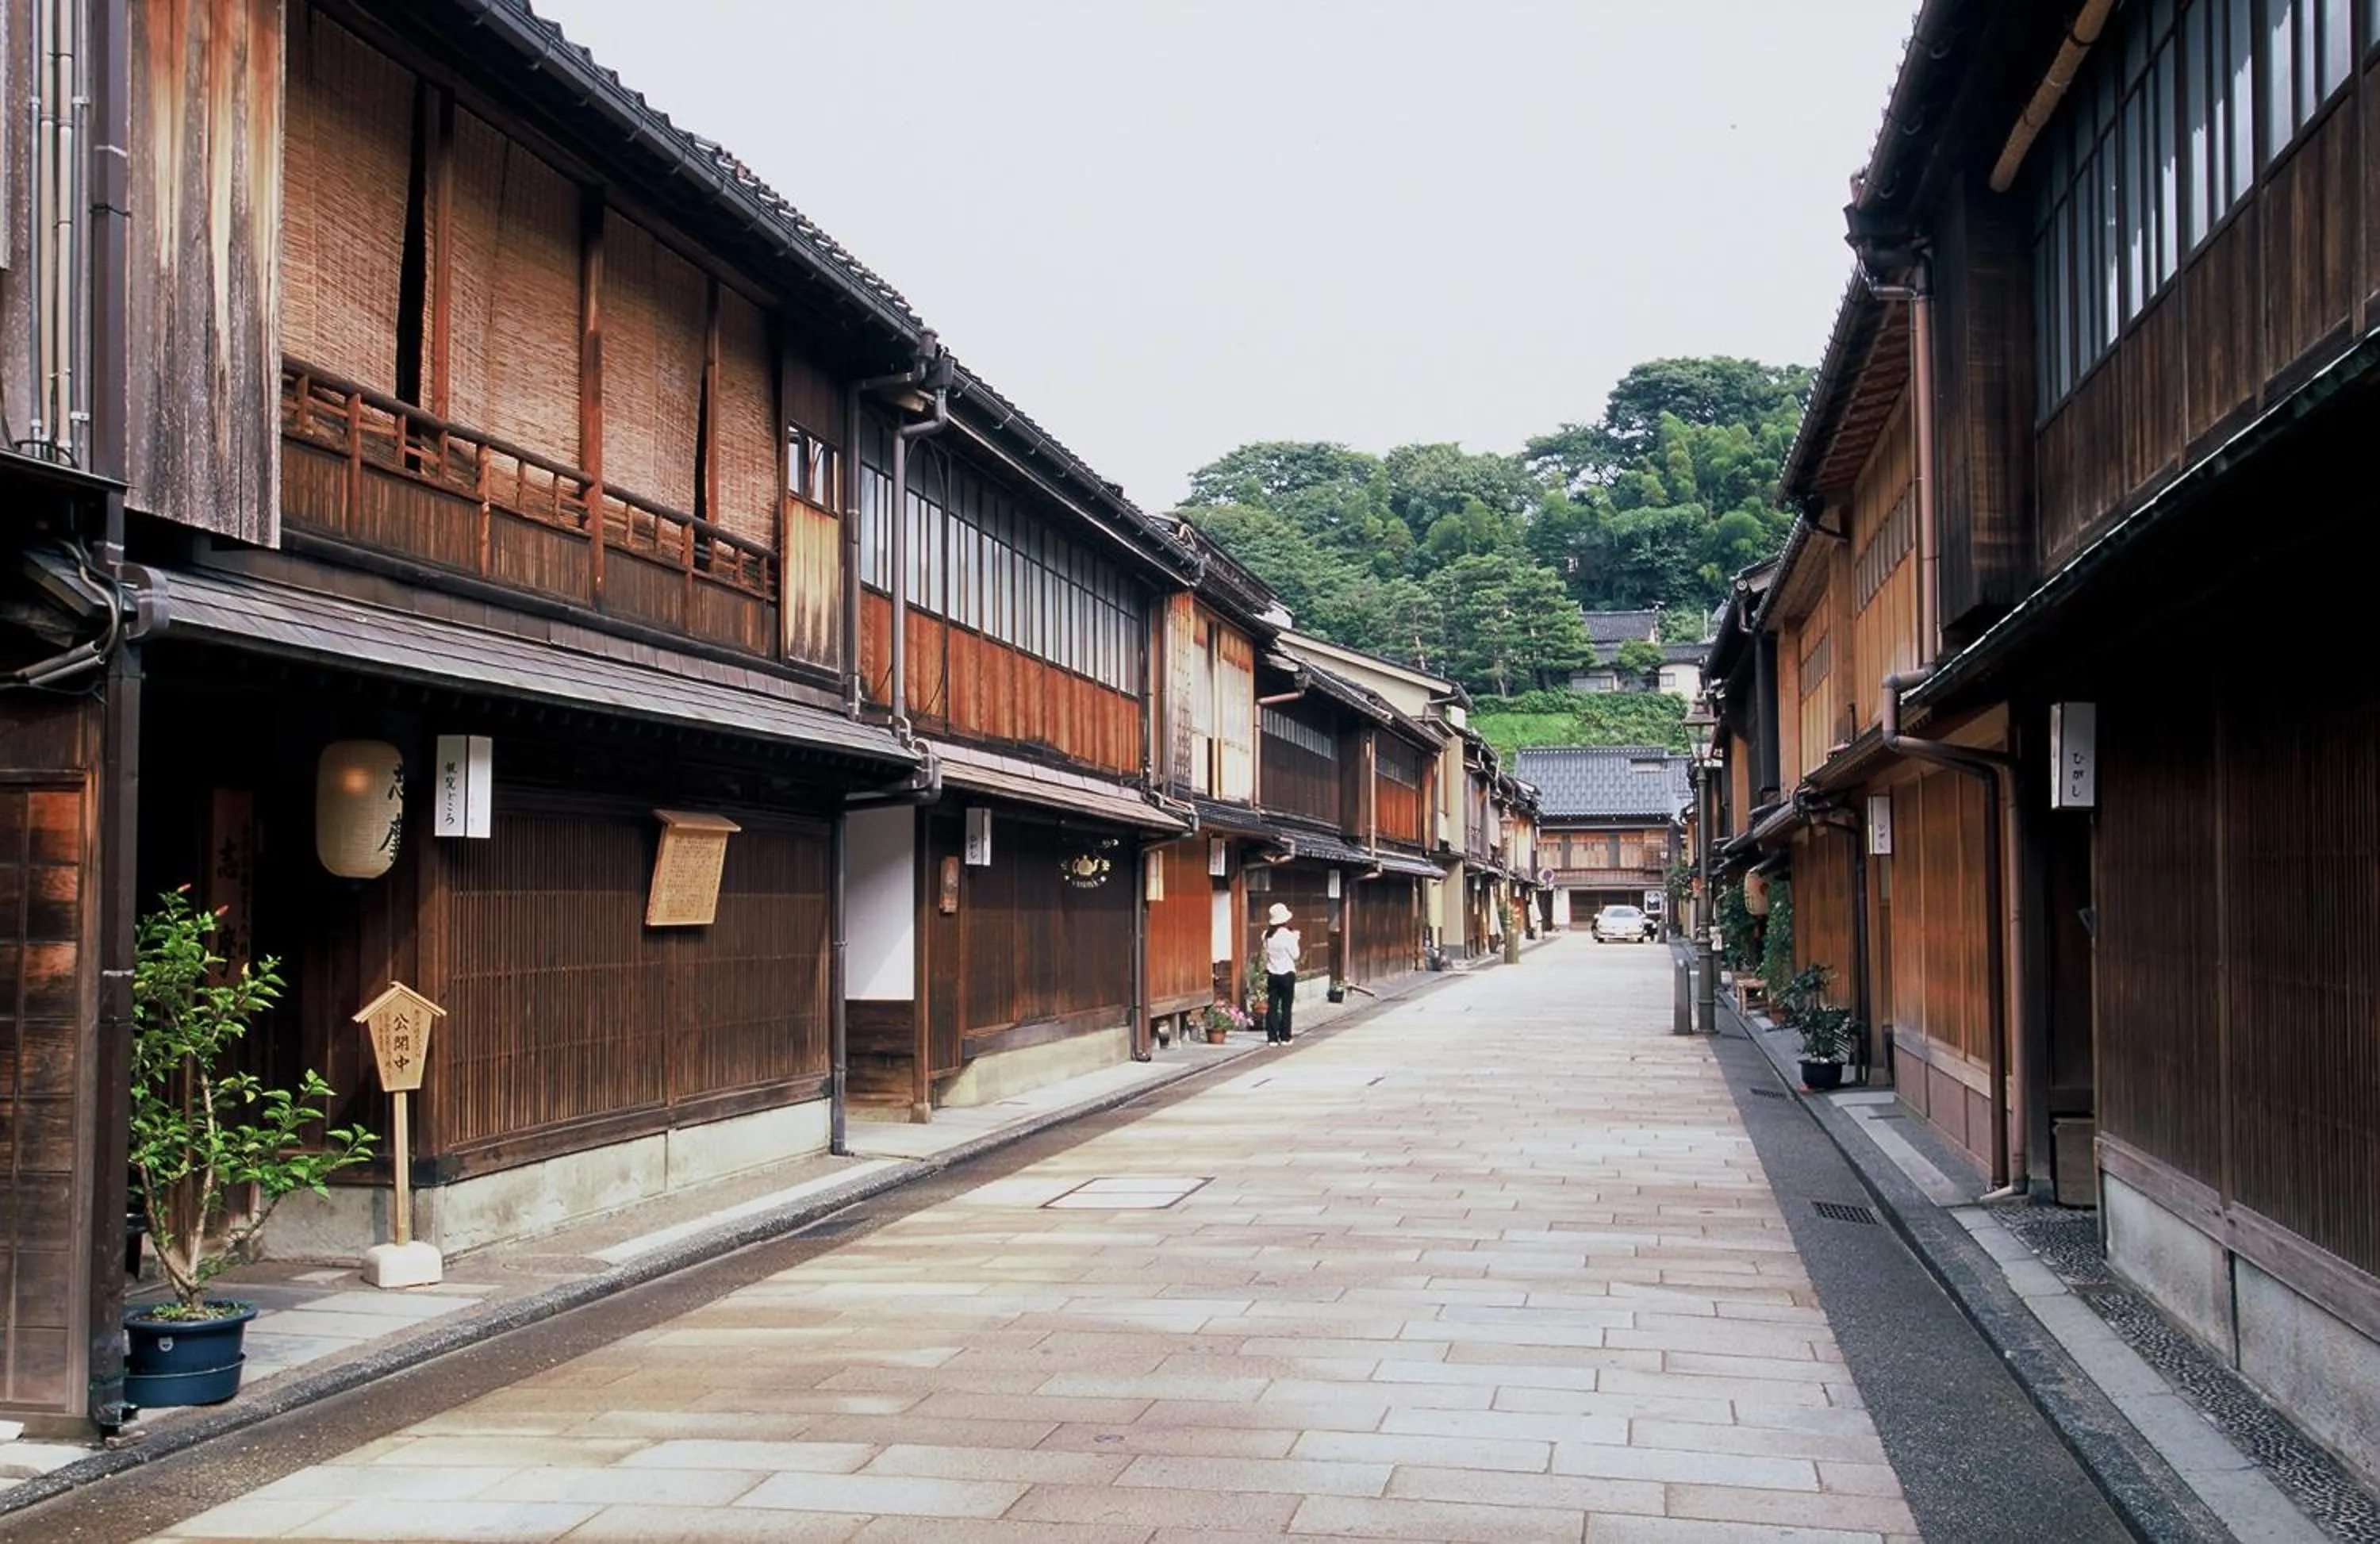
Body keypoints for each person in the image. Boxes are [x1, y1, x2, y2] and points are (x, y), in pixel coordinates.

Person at [1261, 902, 1302, 1043]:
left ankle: (1272, 1038)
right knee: (1286, 1006)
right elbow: (1296, 955)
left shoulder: (1266, 935)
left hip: (1272, 973)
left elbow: (1267, 952)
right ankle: (1285, 1037)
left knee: (1272, 1006)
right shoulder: (1288, 935)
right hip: (1287, 974)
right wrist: (1296, 939)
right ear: (1285, 919)